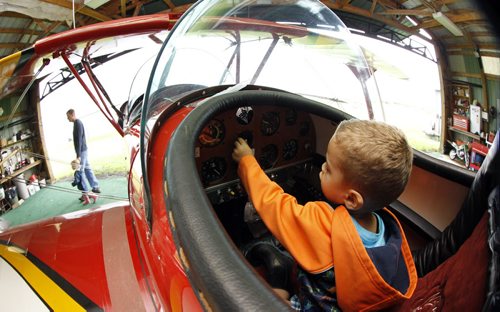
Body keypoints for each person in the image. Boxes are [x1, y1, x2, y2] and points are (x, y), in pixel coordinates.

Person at [232, 119, 417, 311]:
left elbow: (273, 203)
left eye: (328, 168)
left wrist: (246, 160)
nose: (322, 168)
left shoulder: (323, 226)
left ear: (352, 199)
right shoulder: (388, 233)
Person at [66, 109, 101, 199]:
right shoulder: (76, 123)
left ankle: (85, 193)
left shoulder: (77, 123)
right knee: (87, 169)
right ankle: (95, 187)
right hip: (83, 150)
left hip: (82, 151)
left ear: (72, 114)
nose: (67, 118)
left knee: (80, 171)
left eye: (68, 116)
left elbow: (79, 140)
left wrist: (78, 156)